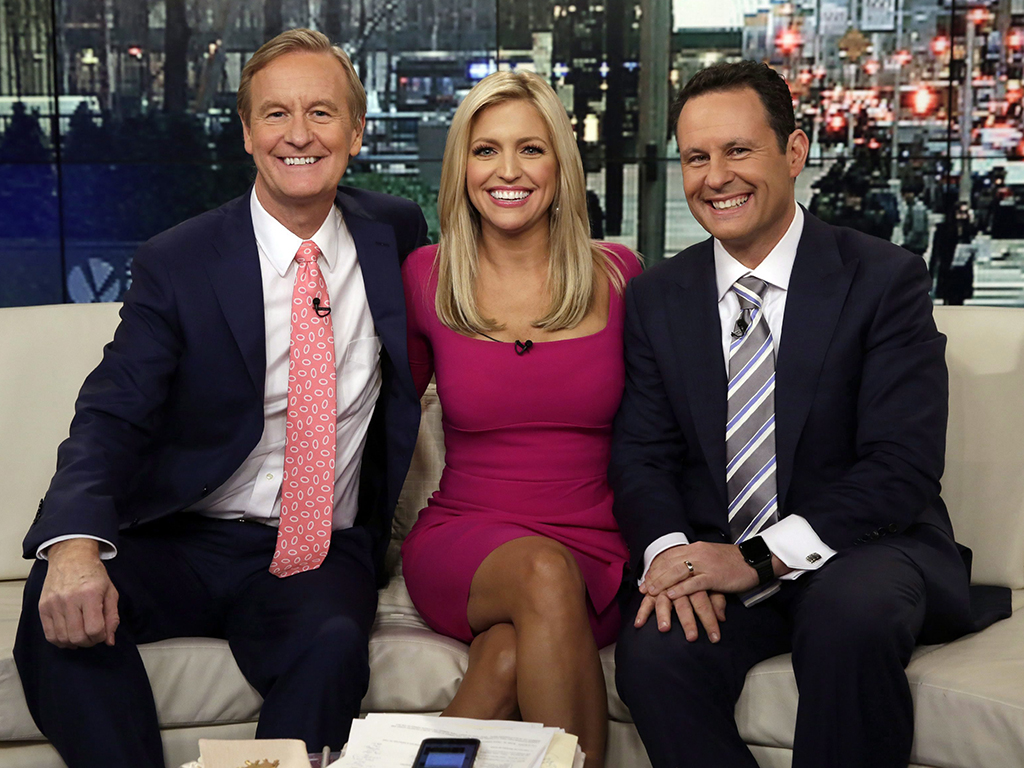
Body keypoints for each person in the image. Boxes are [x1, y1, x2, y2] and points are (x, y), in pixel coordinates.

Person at [14, 29, 427, 768]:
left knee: (333, 645)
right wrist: (73, 541)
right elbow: (112, 410)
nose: (298, 134)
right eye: (275, 114)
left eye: (322, 113)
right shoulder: (179, 261)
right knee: (60, 608)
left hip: (317, 551)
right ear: (245, 132)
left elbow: (505, 254)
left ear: (357, 131)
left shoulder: (392, 235)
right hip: (183, 536)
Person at [609, 61, 1009, 768]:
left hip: (866, 548)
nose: (715, 177)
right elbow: (642, 453)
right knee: (655, 648)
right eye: (697, 158)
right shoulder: (657, 296)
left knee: (849, 616)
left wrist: (757, 559)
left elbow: (902, 466)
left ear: (794, 153)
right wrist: (670, 551)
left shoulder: (883, 279)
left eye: (738, 151)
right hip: (720, 549)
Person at [400, 70, 641, 768]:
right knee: (539, 571)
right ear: (461, 167)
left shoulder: (621, 275)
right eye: (486, 151)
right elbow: (375, 420)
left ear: (560, 165)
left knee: (507, 657)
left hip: (597, 548)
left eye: (530, 150)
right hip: (465, 543)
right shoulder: (426, 275)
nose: (508, 171)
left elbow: (665, 432)